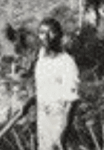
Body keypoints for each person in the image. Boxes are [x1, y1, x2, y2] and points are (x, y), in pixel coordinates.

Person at [34, 17, 79, 150]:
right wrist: (28, 103)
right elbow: (44, 88)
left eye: (51, 32)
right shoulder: (41, 59)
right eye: (42, 32)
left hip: (59, 119)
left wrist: (62, 134)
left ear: (59, 35)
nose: (46, 37)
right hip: (43, 119)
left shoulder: (66, 63)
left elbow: (72, 102)